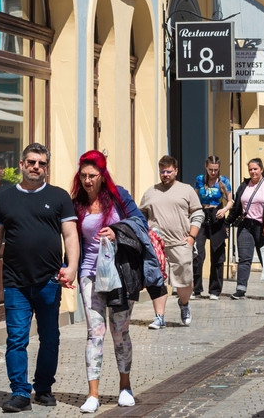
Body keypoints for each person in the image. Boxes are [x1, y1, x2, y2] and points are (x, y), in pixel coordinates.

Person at [0, 143, 79, 413]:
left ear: (47, 168)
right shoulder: (4, 198)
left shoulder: (59, 197)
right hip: (15, 283)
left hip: (49, 281)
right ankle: (20, 393)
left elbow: (70, 234)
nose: (36, 167)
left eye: (42, 163)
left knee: (50, 338)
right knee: (16, 339)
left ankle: (43, 388)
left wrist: (71, 267)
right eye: (31, 162)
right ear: (21, 164)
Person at [71, 150, 151, 412]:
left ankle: (125, 387)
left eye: (92, 176)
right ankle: (93, 394)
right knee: (94, 333)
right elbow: (71, 238)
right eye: (83, 175)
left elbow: (140, 223)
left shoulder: (119, 197)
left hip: (119, 275)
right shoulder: (76, 203)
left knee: (120, 332)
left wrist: (117, 231)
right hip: (89, 273)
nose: (87, 181)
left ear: (102, 176)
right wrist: (68, 267)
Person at [138, 155, 203, 329]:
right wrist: (145, 234)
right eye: (162, 172)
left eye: (168, 171)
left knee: (185, 280)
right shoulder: (151, 192)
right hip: (156, 245)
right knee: (157, 280)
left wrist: (192, 237)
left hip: (180, 242)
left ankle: (184, 303)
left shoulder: (186, 190)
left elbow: (198, 213)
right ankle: (159, 317)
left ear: (176, 171)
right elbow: (141, 215)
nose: (165, 175)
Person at [230, 158, 264, 299]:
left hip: (262, 226)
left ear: (261, 169)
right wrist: (227, 222)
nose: (253, 172)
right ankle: (240, 289)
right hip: (245, 225)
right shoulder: (244, 185)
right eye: (250, 169)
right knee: (244, 258)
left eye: (255, 169)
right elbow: (236, 207)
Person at [192, 156, 233, 299]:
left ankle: (215, 290)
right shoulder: (200, 180)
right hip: (202, 215)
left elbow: (230, 200)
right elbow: (194, 198)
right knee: (198, 253)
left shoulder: (223, 181)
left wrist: (224, 210)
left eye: (216, 170)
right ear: (206, 167)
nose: (213, 173)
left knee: (217, 254)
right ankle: (196, 289)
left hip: (217, 215)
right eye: (211, 170)